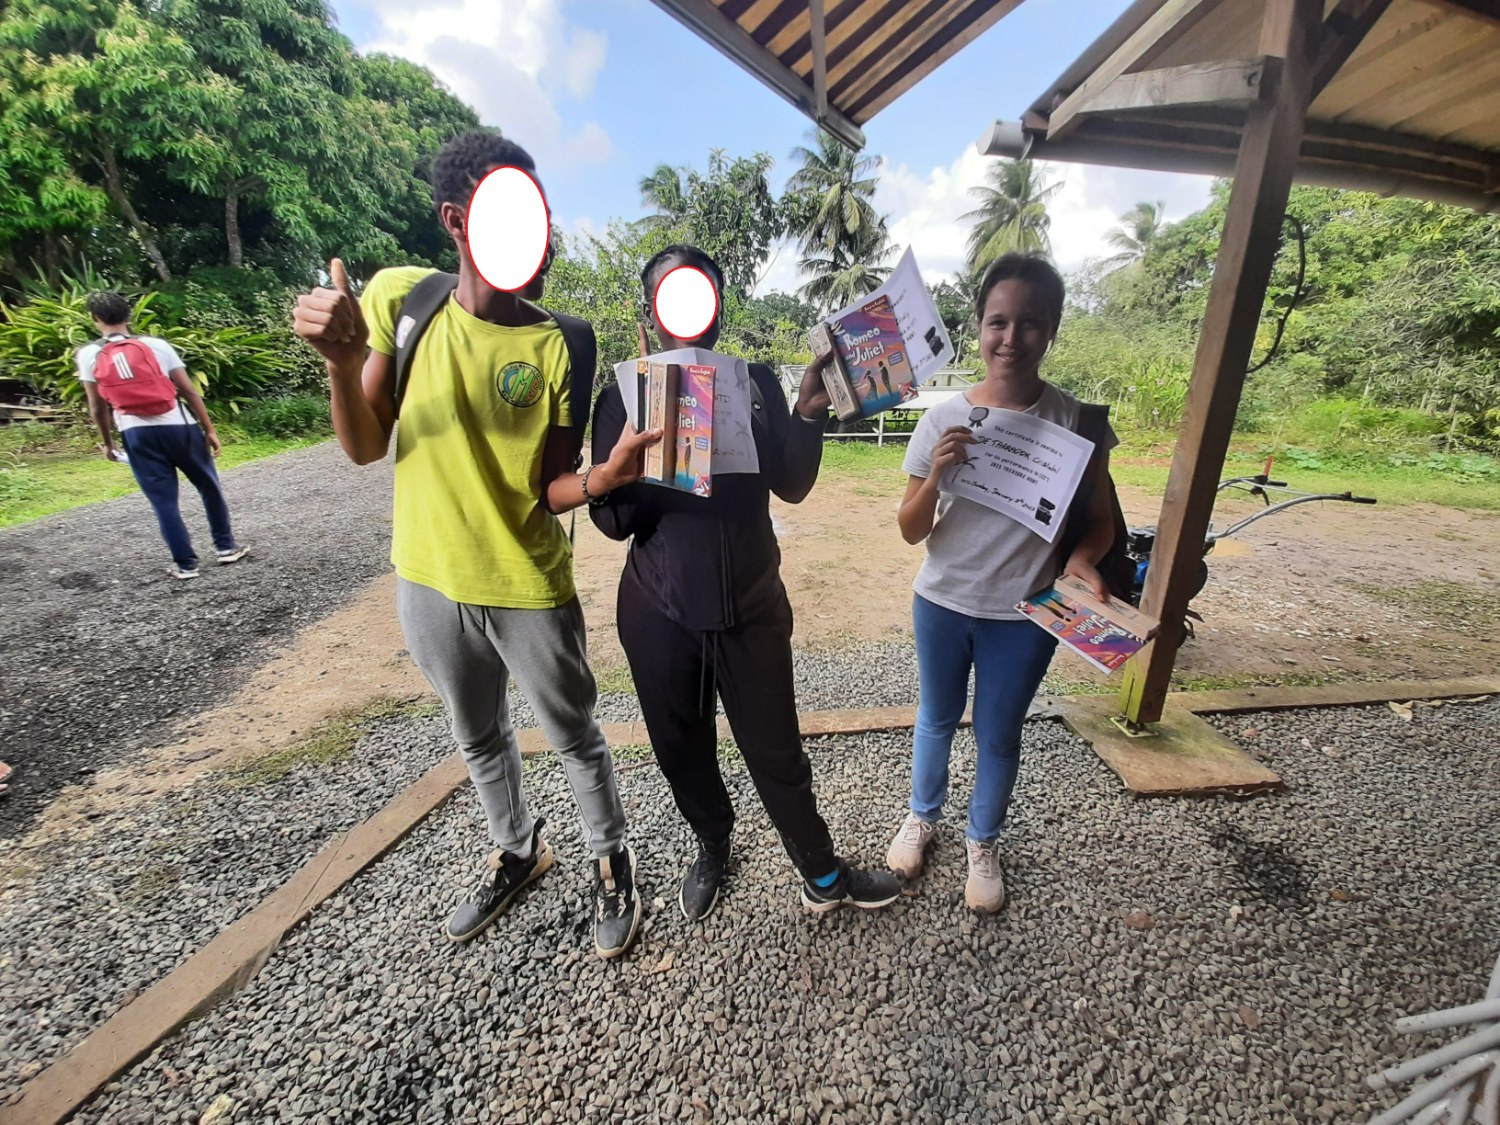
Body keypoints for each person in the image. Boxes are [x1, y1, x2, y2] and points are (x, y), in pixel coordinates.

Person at [291, 130, 660, 959]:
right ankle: (518, 848)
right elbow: (364, 443)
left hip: (526, 581)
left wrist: (604, 477)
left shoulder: (563, 341)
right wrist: (341, 363)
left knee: (574, 734)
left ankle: (612, 860)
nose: (536, 232)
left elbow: (550, 485)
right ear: (457, 220)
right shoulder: (402, 300)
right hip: (426, 580)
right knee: (478, 735)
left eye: (539, 212)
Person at [589, 244, 903, 921]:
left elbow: (791, 483)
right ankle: (713, 842)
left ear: (719, 309)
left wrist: (809, 414)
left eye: (700, 293)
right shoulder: (622, 394)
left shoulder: (755, 383)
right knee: (680, 748)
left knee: (776, 748)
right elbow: (613, 522)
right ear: (652, 311)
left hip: (752, 604)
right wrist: (631, 463)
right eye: (671, 294)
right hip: (659, 609)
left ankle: (821, 871)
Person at [885, 253, 1117, 913]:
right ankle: (921, 816)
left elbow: (1101, 522)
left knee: (999, 732)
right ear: (978, 327)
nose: (1011, 337)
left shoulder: (1077, 423)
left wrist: (1083, 559)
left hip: (1025, 612)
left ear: (1053, 330)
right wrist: (936, 473)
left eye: (1030, 322)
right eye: (998, 322)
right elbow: (909, 529)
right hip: (941, 599)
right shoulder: (940, 419)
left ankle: (982, 842)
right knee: (935, 717)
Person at [76, 293, 249, 579]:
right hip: (180, 427)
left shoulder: (88, 355)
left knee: (163, 501)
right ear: (129, 316)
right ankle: (226, 547)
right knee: (208, 486)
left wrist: (108, 443)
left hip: (136, 433)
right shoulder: (156, 345)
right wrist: (209, 429)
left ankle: (186, 564)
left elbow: (97, 406)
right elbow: (189, 390)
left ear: (96, 319)